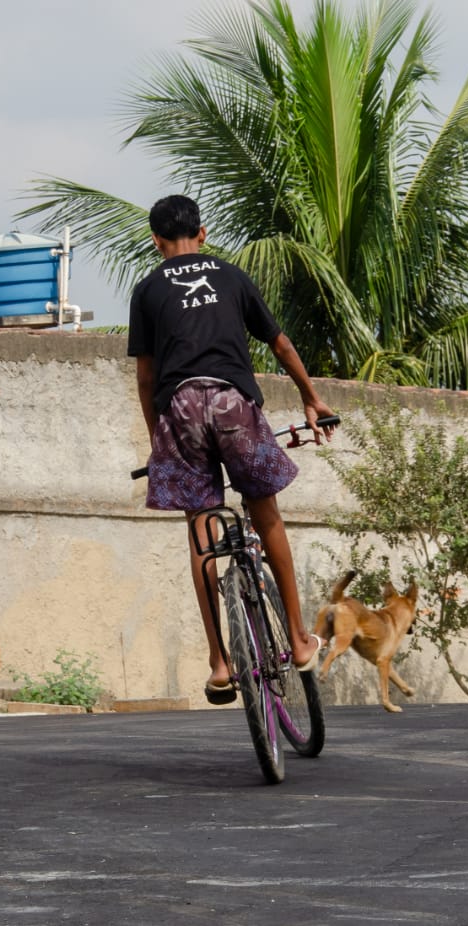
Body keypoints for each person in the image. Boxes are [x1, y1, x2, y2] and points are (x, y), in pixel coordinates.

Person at [129, 194, 335, 704]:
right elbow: (280, 344)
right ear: (202, 233)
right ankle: (298, 639)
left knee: (202, 533)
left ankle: (220, 663)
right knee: (267, 514)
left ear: (156, 241)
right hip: (232, 404)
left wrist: (158, 440)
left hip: (180, 408)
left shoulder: (147, 289)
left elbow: (146, 377)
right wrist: (312, 399)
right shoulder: (230, 275)